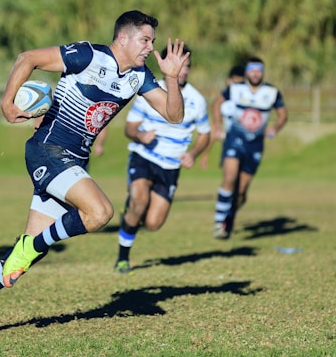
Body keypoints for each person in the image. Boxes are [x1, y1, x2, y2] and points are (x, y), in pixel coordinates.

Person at [0, 10, 190, 337]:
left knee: (34, 246)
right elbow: (28, 57)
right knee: (100, 211)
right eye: (145, 40)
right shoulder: (89, 55)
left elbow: (173, 115)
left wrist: (172, 78)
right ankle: (28, 249)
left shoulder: (139, 75)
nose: (150, 47)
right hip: (47, 150)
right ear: (123, 37)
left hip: (74, 160)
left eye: (153, 41)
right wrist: (7, 101)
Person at [112, 45, 211, 274]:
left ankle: (131, 215)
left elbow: (206, 133)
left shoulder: (196, 100)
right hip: (144, 157)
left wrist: (193, 154)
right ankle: (123, 258)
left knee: (153, 223)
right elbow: (130, 128)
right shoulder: (150, 90)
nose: (183, 70)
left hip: (170, 165)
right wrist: (140, 135)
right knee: (138, 201)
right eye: (179, 65)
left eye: (186, 66)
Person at [211, 57, 288, 239]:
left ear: (262, 72)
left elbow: (283, 114)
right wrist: (217, 125)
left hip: (255, 144)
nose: (255, 74)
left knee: (241, 191)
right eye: (252, 70)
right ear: (247, 72)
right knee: (230, 177)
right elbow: (216, 103)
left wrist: (275, 128)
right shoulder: (236, 89)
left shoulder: (271, 92)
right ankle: (219, 222)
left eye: (258, 70)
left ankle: (229, 218)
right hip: (235, 139)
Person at [199, 65, 245, 170]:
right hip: (230, 137)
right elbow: (214, 128)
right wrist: (206, 154)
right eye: (235, 81)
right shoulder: (225, 105)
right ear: (229, 80)